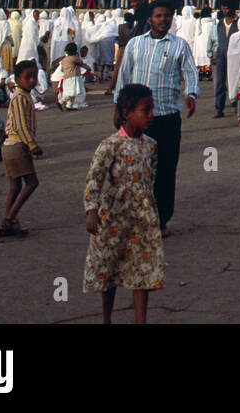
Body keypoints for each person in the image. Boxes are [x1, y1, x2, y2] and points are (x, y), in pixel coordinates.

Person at [112, 0, 198, 234]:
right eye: (159, 16)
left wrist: (191, 94)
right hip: (137, 121)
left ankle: (160, 220)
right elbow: (125, 76)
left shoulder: (180, 45)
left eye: (167, 16)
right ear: (150, 19)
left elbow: (190, 71)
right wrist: (118, 108)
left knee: (166, 170)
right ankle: (137, 217)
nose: (163, 19)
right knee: (136, 169)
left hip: (167, 117)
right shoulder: (135, 45)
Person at [84, 84, 165, 324]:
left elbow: (150, 179)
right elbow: (94, 179)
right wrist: (91, 211)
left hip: (142, 221)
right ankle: (106, 319)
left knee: (142, 273)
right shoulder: (110, 145)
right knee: (109, 271)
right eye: (145, 110)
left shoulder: (151, 145)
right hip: (113, 219)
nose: (151, 115)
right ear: (127, 112)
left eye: (152, 109)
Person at [0, 60, 43, 237]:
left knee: (15, 186)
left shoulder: (24, 96)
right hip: (17, 145)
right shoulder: (19, 98)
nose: (32, 80)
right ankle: (10, 218)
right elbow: (21, 126)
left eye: (34, 77)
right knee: (32, 183)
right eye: (27, 77)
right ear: (17, 79)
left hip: (13, 146)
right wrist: (32, 145)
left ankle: (8, 220)